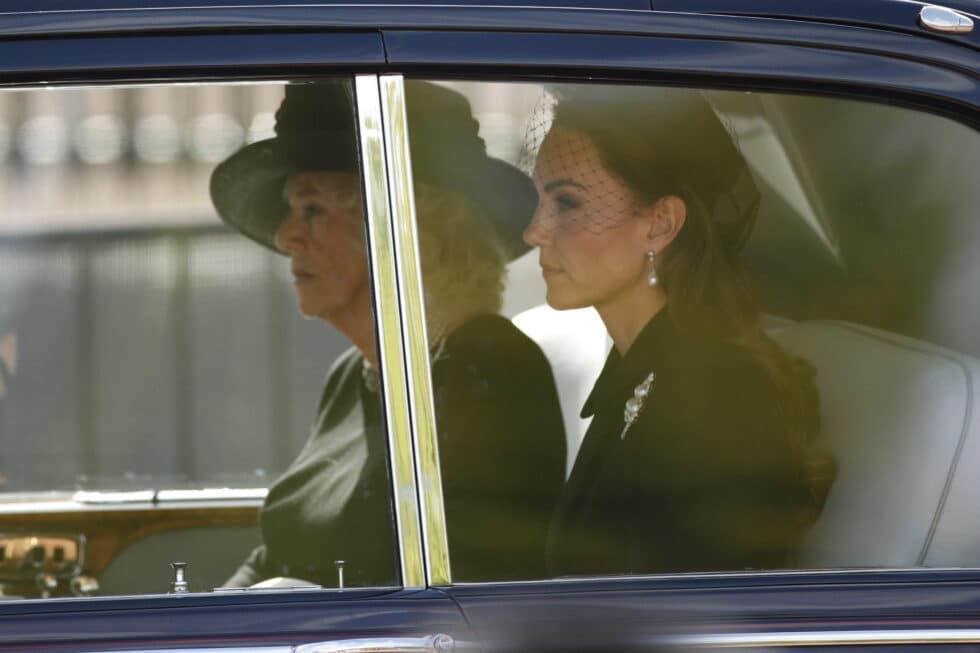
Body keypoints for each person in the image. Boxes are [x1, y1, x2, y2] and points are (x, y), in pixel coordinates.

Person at [210, 81, 566, 587]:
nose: (286, 236)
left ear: (404, 232)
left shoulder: (490, 370)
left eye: (312, 210)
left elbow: (460, 598)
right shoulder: (354, 374)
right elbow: (280, 555)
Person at [522, 85, 835, 576]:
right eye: (537, 200)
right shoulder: (643, 365)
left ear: (660, 225)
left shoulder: (715, 398)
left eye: (566, 203)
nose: (534, 232)